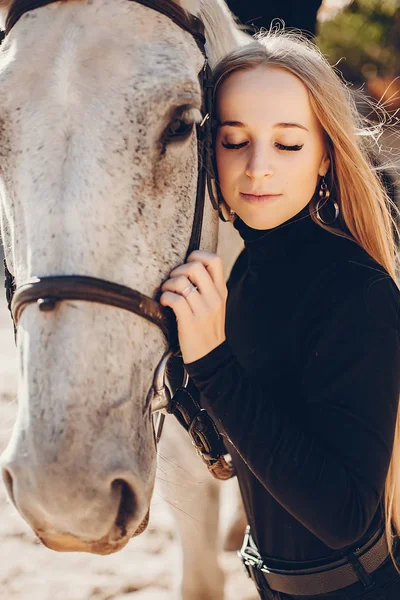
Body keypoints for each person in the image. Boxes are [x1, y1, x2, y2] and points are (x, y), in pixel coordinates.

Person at [160, 30, 400, 600]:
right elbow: (247, 441)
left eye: (288, 144)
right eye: (234, 140)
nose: (257, 168)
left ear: (325, 156)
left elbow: (343, 517)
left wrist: (213, 365)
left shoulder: (355, 289)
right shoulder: (243, 275)